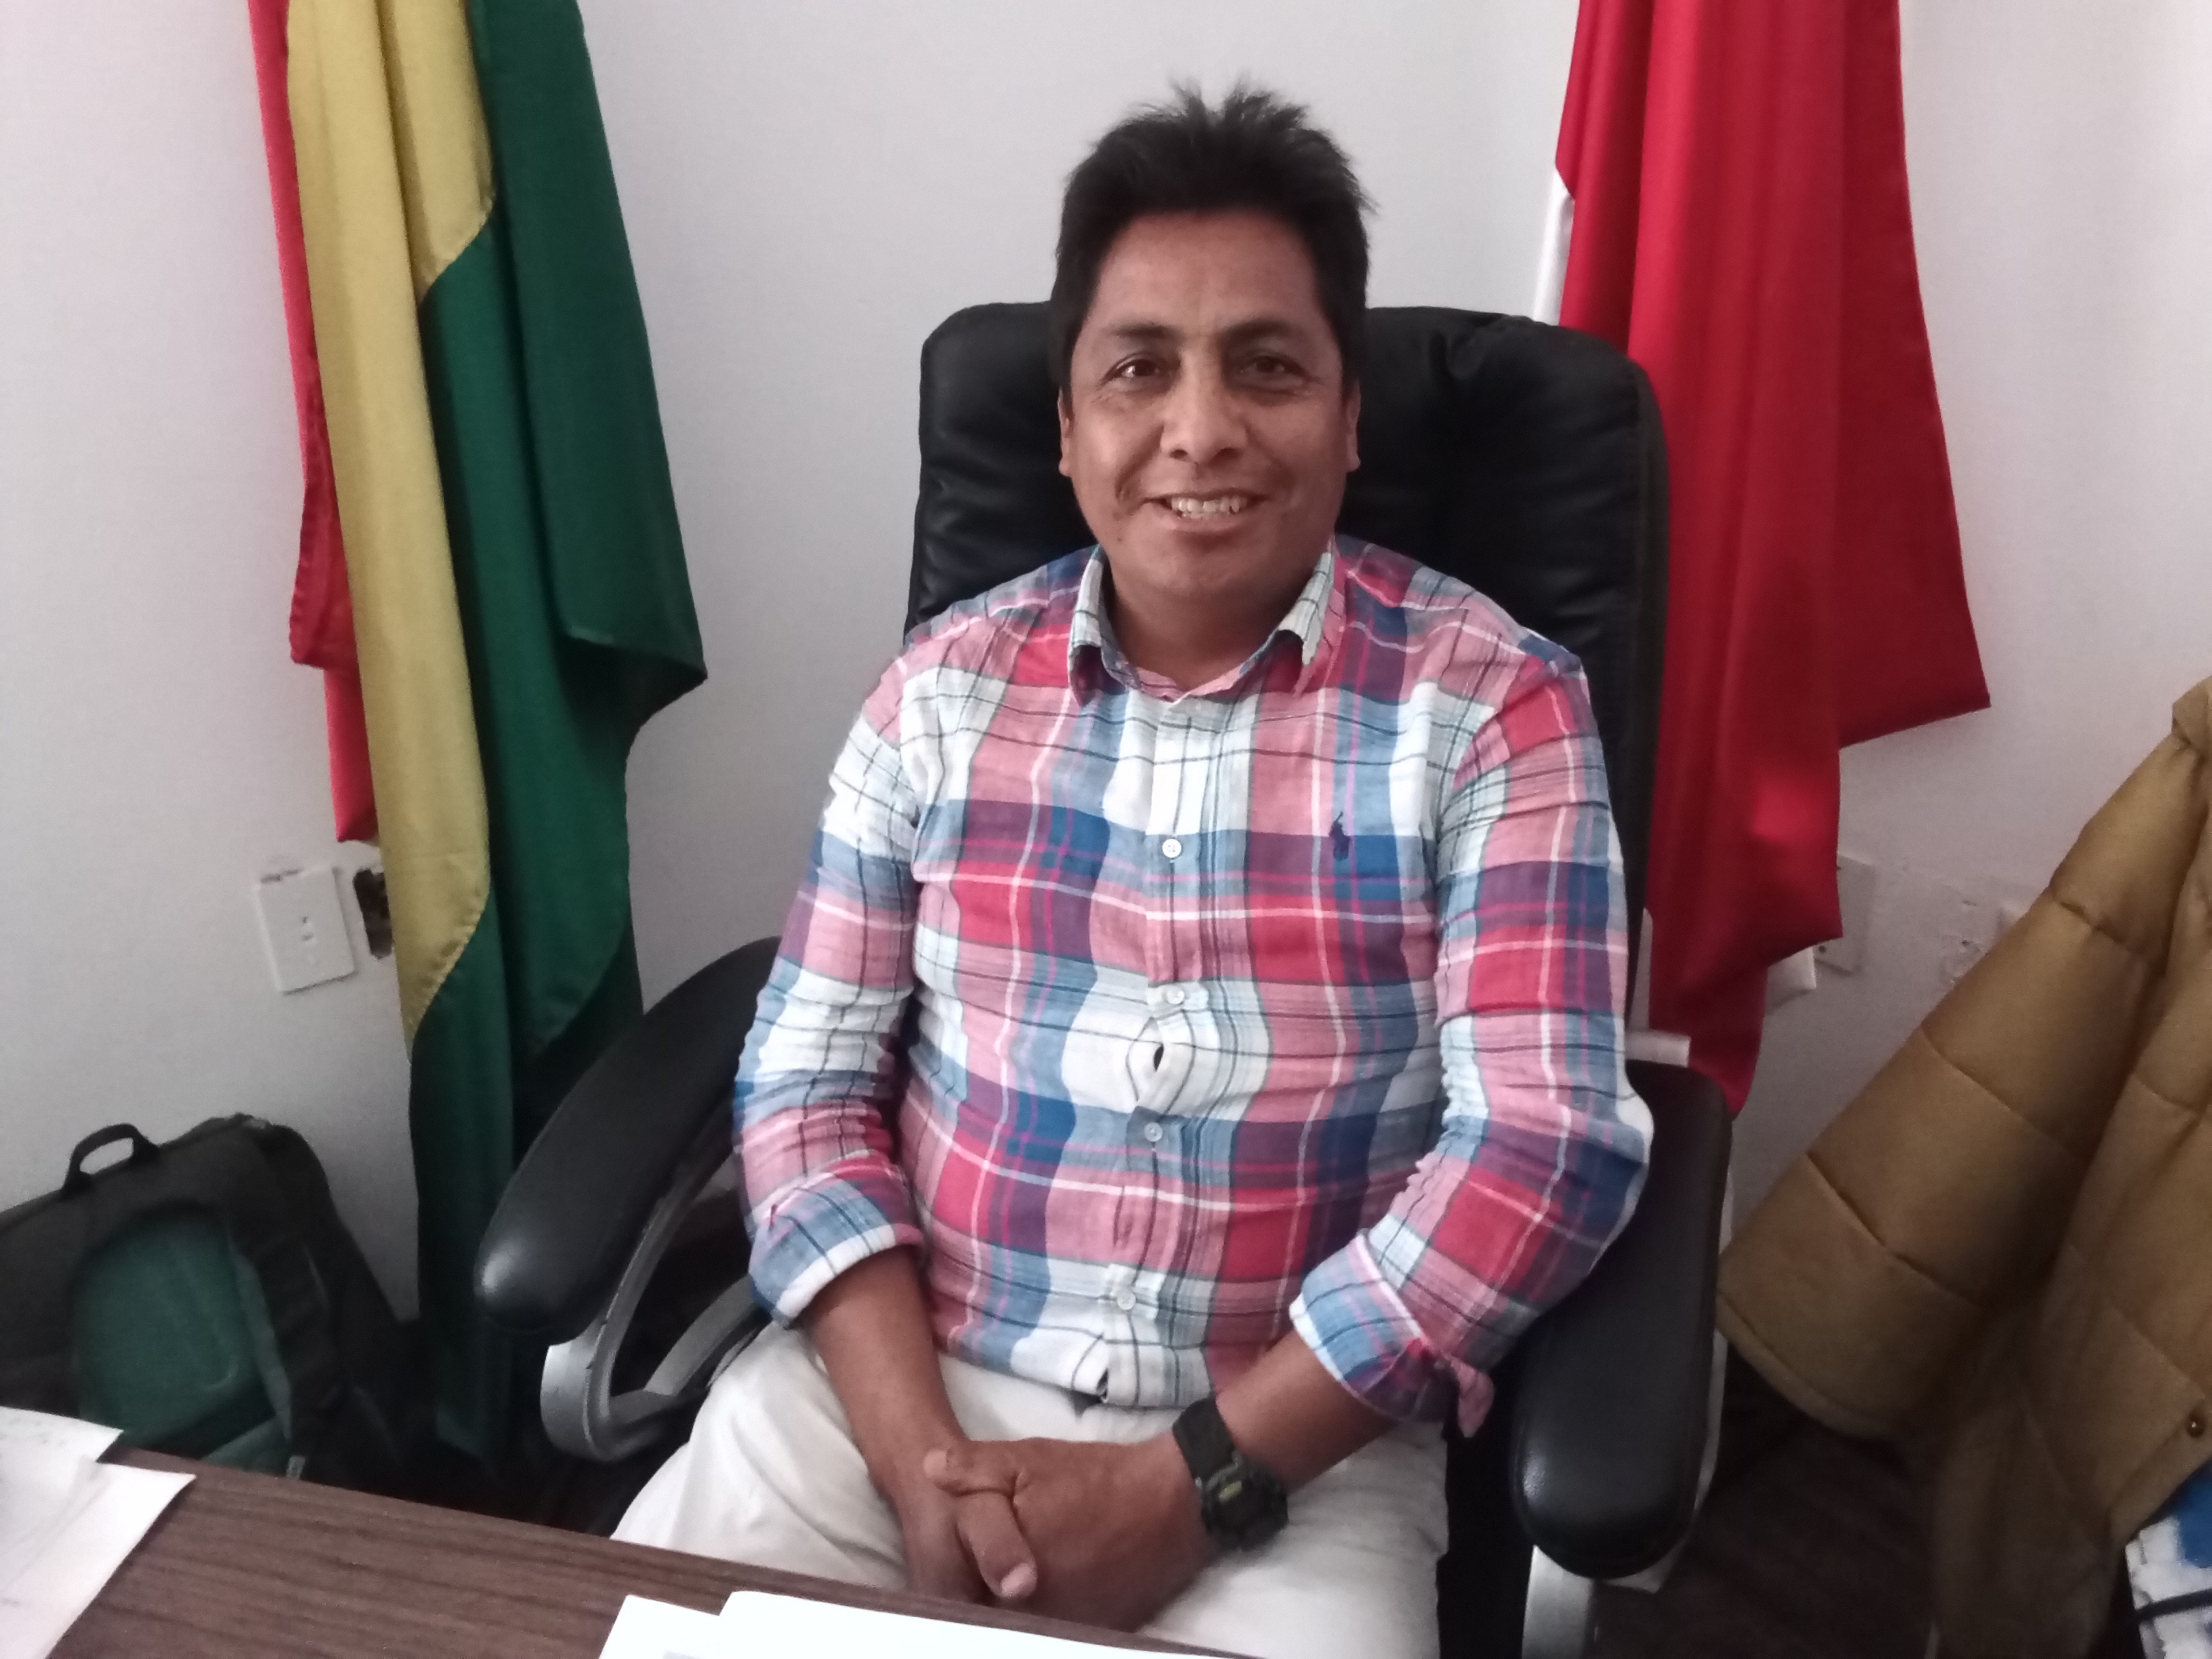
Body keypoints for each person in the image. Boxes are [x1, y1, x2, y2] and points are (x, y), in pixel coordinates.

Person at [616, 84, 1652, 1659]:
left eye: (1268, 366)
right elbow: (807, 1088)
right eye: (1138, 369)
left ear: (1351, 417)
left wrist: (1193, 1487)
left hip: (1294, 1438)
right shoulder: (938, 696)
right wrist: (920, 1467)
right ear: (1066, 427)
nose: (1200, 429)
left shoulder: (1495, 707)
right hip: (884, 1401)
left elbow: (1541, 1145)